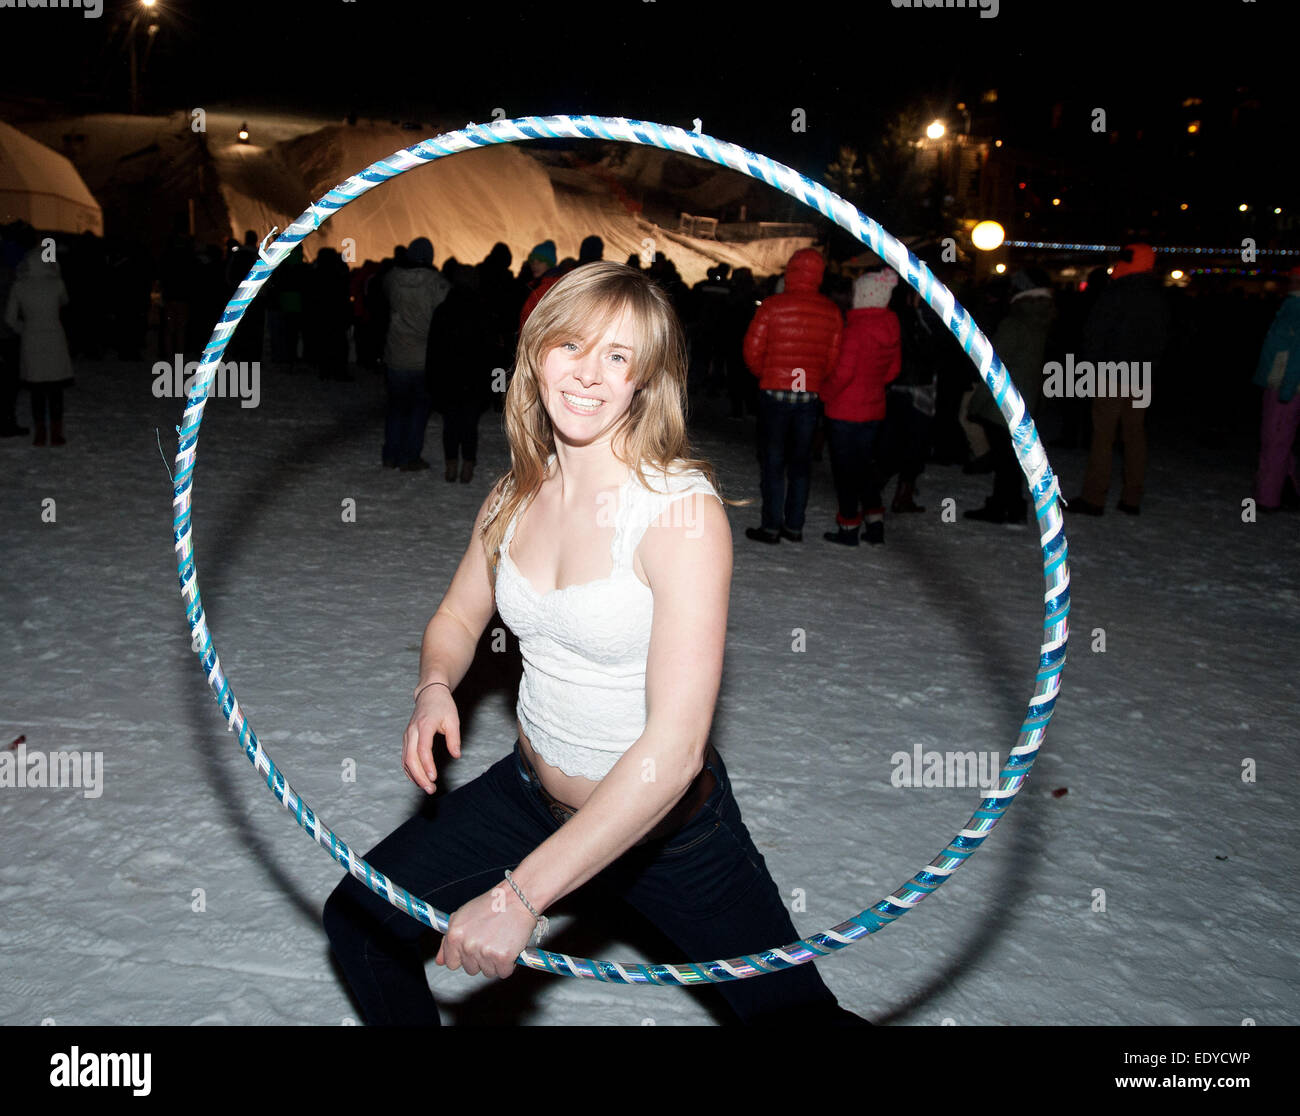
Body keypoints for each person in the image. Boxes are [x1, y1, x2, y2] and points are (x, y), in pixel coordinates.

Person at [323, 261, 865, 1027]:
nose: (588, 374)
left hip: (665, 830)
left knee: (796, 1023)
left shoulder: (679, 513)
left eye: (618, 356)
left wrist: (520, 895)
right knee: (361, 921)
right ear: (537, 351)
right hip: (530, 796)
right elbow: (455, 617)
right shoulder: (515, 490)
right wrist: (435, 686)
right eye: (572, 344)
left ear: (644, 380)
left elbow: (674, 750)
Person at [741, 248, 843, 543]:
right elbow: (832, 360)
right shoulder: (831, 311)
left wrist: (768, 374)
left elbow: (751, 349)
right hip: (808, 396)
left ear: (791, 271)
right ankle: (794, 525)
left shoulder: (772, 306)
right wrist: (810, 380)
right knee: (800, 463)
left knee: (772, 462)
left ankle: (771, 526)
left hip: (774, 393)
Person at [1072, 243, 1171, 515]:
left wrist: (1091, 367)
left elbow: (1095, 332)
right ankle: (1132, 497)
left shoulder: (1116, 291)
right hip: (1142, 374)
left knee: (1103, 436)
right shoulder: (1157, 294)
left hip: (1112, 372)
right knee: (1135, 434)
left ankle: (1094, 497)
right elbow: (1163, 338)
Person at [964, 268, 1057, 524]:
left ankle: (1001, 507)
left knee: (1004, 457)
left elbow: (994, 365)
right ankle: (1013, 506)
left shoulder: (1015, 320)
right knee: (1013, 457)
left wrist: (978, 402)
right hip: (1028, 396)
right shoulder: (1043, 317)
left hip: (1005, 398)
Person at [818, 268, 901, 545]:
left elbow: (843, 374)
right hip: (874, 409)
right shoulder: (891, 327)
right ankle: (875, 524)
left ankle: (849, 527)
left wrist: (825, 393)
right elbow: (892, 372)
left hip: (844, 410)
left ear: (864, 296)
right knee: (865, 467)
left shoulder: (855, 331)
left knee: (844, 471)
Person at [382, 236, 450, 470]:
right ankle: (410, 456)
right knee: (418, 410)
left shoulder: (392, 278)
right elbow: (443, 315)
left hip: (395, 355)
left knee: (396, 408)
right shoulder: (437, 283)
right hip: (423, 358)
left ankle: (390, 454)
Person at [426, 260, 495, 483]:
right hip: (474, 379)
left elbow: (434, 349)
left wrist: (432, 379)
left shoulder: (443, 310)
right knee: (469, 424)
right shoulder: (483, 311)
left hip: (448, 377)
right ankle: (467, 464)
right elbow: (490, 350)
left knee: (451, 423)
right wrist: (492, 384)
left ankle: (451, 465)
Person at [4, 235, 73, 446]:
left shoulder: (20, 285)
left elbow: (9, 318)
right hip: (54, 339)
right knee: (55, 390)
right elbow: (65, 302)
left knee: (37, 390)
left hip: (31, 339)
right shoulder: (56, 283)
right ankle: (56, 433)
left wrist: (23, 328)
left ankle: (41, 434)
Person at [1251, 266, 1300, 512]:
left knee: (1275, 440)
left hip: (1284, 383)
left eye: (1293, 279)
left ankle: (1268, 497)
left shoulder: (1295, 308)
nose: (1289, 282)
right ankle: (1285, 487)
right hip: (1280, 381)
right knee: (1279, 440)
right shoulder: (1291, 305)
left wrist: (1287, 388)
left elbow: (1297, 352)